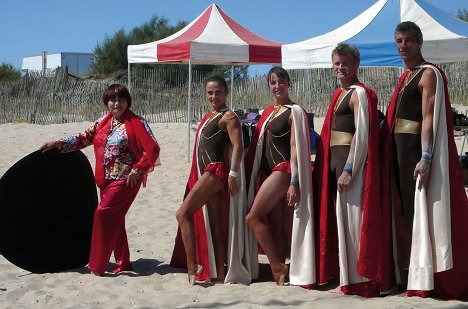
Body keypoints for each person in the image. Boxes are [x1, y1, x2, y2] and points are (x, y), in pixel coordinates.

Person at [381, 21, 468, 299]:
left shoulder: (427, 74)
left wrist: (427, 157)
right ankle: (412, 270)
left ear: (419, 43)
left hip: (413, 153)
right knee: (406, 214)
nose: (403, 46)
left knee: (418, 214)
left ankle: (426, 274)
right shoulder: (405, 76)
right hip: (397, 150)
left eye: (408, 40)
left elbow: (428, 118)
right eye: (399, 41)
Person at [41, 83, 161, 276]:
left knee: (102, 215)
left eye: (121, 99)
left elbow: (153, 149)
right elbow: (83, 138)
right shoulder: (102, 122)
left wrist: (138, 170)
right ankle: (123, 262)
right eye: (113, 100)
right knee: (116, 220)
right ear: (107, 102)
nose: (117, 103)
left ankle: (96, 264)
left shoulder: (137, 122)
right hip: (105, 180)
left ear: (127, 101)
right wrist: (58, 143)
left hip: (126, 179)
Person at [313, 43, 391, 297]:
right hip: (337, 165)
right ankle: (347, 279)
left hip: (350, 168)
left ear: (356, 65)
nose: (340, 67)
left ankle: (360, 281)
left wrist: (349, 169)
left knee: (355, 224)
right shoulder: (340, 93)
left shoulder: (357, 93)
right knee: (343, 224)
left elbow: (362, 133)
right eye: (336, 63)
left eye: (345, 63)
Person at [171, 76, 253, 286]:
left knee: (182, 214)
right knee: (215, 223)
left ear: (225, 93)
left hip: (215, 172)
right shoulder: (211, 115)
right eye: (210, 92)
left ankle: (192, 267)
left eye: (218, 92)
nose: (213, 96)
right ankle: (218, 269)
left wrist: (233, 173)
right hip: (207, 173)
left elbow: (238, 146)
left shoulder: (228, 116)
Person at [245, 66, 315, 286]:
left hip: (283, 171)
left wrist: (295, 181)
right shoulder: (268, 112)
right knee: (275, 224)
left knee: (252, 217)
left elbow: (296, 147)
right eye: (273, 82)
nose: (278, 86)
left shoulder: (294, 111)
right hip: (268, 172)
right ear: (269, 85)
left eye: (281, 81)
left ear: (289, 83)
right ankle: (281, 270)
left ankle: (277, 265)